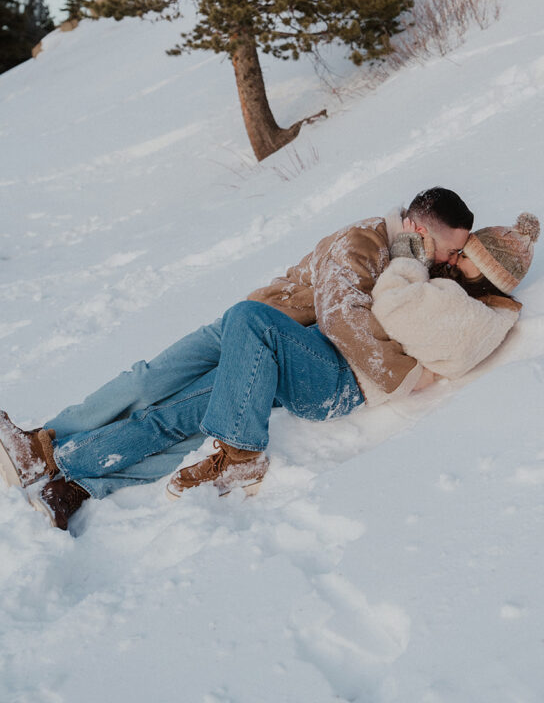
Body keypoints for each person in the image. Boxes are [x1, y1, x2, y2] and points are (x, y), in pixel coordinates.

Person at [0, 187, 474, 530]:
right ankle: (44, 445)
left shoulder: (403, 258)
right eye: (450, 249)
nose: (449, 260)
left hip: (264, 342)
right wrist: (412, 375)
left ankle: (75, 475)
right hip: (249, 325)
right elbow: (342, 318)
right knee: (146, 382)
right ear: (416, 228)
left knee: (176, 414)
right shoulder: (365, 242)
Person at [371, 213, 540, 391]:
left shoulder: (465, 311)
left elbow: (387, 306)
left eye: (464, 256)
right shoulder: (485, 314)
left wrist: (407, 260)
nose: (453, 259)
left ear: (488, 274)